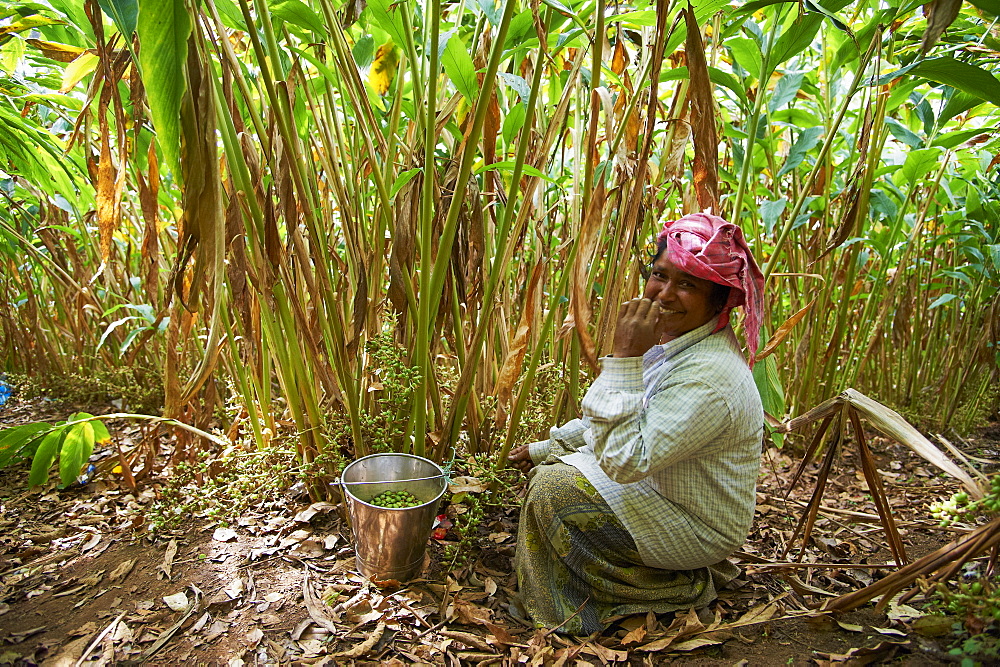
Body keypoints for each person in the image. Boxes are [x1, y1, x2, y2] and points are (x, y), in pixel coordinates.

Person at [508, 212, 766, 635]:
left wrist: (625, 360)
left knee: (555, 492)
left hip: (697, 524)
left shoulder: (709, 377)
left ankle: (666, 590)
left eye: (687, 284)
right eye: (659, 275)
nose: (664, 294)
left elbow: (624, 458)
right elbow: (613, 421)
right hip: (659, 489)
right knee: (550, 473)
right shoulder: (676, 345)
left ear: (719, 300)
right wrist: (546, 447)